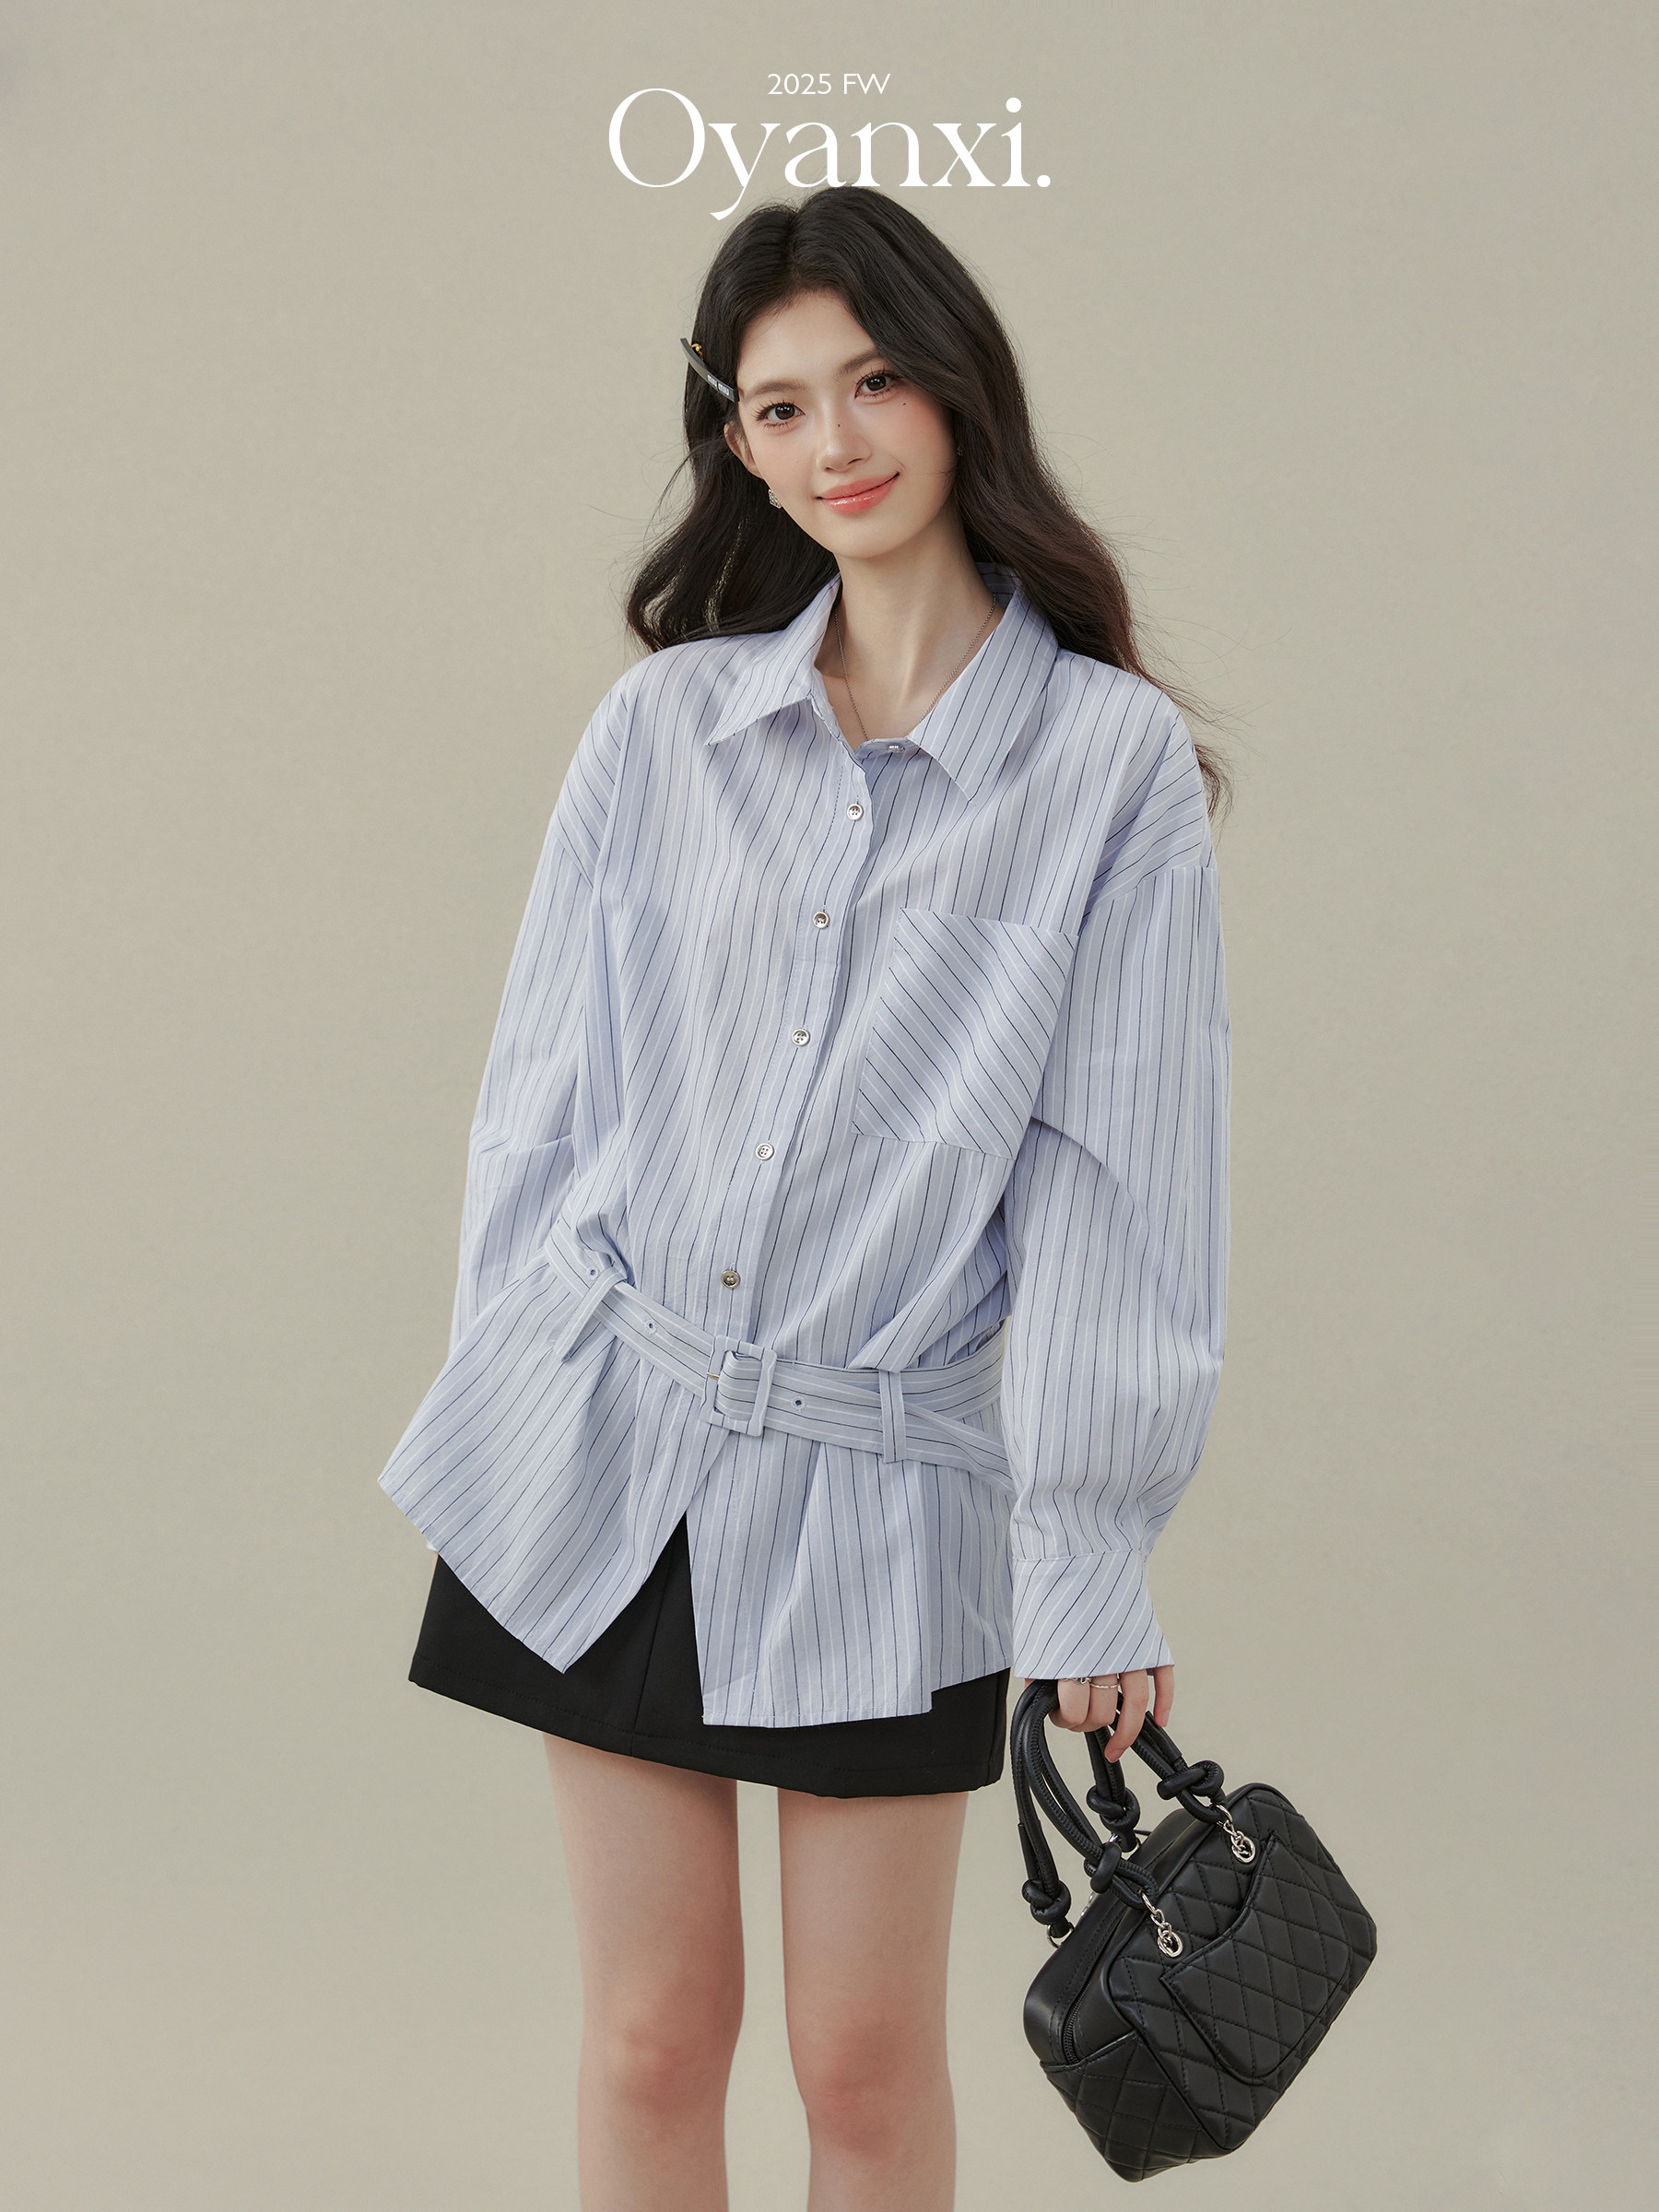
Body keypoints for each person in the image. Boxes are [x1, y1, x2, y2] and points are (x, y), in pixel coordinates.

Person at [377, 187, 1231, 2211]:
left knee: (862, 2063)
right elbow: (544, 1097)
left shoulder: (1106, 769)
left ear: (956, 392)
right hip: (613, 1446)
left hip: (889, 1492)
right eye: (779, 409)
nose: (834, 441)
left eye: (872, 383)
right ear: (739, 447)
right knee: (652, 2031)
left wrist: (1092, 1547)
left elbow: (1120, 1184)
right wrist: (508, 1386)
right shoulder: (665, 729)